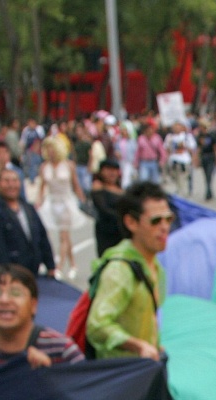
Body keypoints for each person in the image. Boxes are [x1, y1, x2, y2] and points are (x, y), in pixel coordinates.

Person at [87, 182, 170, 360]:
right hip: (124, 372)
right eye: (156, 221)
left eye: (168, 219)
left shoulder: (154, 265)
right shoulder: (120, 271)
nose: (164, 227)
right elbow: (97, 325)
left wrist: (154, 345)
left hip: (146, 367)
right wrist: (137, 345)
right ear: (131, 223)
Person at [0, 265, 83, 378]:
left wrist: (49, 374)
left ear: (33, 305)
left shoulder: (62, 349)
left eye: (15, 293)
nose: (4, 300)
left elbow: (86, 387)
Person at [0, 168, 58, 277]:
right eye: (6, 181)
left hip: (33, 271)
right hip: (10, 273)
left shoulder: (28, 208)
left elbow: (42, 237)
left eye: (15, 181)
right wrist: (6, 272)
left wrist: (50, 266)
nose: (11, 185)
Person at [37, 138, 88, 280]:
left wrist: (83, 200)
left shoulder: (69, 165)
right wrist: (38, 202)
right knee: (50, 234)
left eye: (53, 149)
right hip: (51, 202)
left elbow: (76, 185)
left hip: (65, 201)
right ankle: (73, 264)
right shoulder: (44, 167)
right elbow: (42, 187)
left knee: (63, 236)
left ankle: (59, 267)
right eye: (48, 149)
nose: (50, 152)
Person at [91, 160, 125, 256]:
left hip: (121, 229)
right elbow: (102, 208)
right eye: (108, 170)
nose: (112, 173)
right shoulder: (98, 186)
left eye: (114, 170)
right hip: (106, 229)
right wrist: (121, 217)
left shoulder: (120, 189)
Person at [164, 122, 198, 197]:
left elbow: (193, 149)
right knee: (175, 176)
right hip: (173, 160)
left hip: (184, 160)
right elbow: (166, 149)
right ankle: (179, 189)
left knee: (183, 177)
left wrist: (194, 159)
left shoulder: (187, 137)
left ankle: (182, 192)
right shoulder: (170, 137)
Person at [196, 122, 216, 201]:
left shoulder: (211, 136)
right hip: (203, 156)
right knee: (205, 175)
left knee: (209, 174)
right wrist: (197, 159)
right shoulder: (199, 136)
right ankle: (209, 190)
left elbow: (214, 147)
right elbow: (198, 148)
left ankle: (208, 192)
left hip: (210, 156)